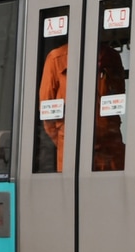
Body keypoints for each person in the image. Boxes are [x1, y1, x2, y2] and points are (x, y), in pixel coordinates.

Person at [39, 40, 126, 171]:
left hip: (110, 152)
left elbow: (120, 98)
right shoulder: (56, 59)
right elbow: (47, 112)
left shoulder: (112, 57)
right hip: (72, 154)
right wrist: (66, 141)